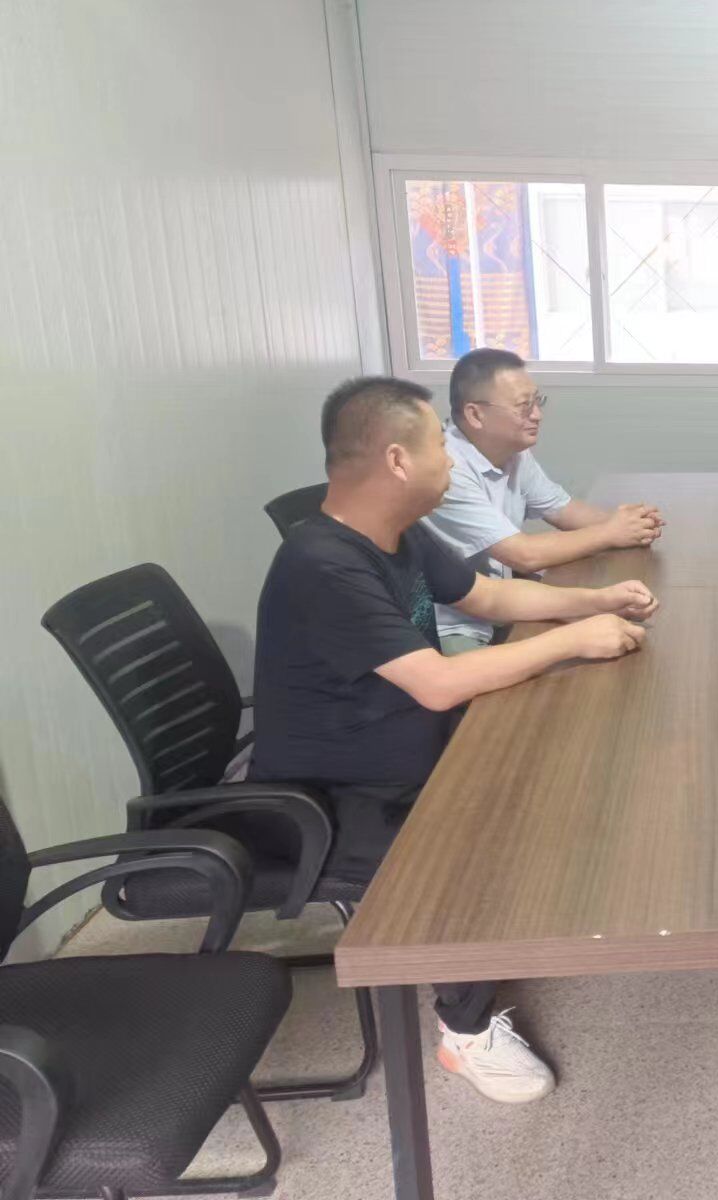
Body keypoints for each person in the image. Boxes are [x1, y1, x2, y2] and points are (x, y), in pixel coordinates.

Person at [252, 377, 658, 1105]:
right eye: (440, 446)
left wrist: (592, 601)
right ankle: (464, 1033)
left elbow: (488, 595)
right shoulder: (323, 564)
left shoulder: (396, 532)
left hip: (405, 741)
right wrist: (573, 639)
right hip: (338, 795)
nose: (451, 459)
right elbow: (438, 684)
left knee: (563, 749)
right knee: (473, 849)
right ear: (397, 460)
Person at [423, 348, 665, 653]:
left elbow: (563, 509)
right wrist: (611, 532)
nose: (537, 415)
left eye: (537, 401)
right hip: (457, 625)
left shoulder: (513, 451)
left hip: (505, 604)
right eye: (524, 406)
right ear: (475, 414)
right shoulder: (448, 469)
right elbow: (523, 555)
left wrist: (632, 524)